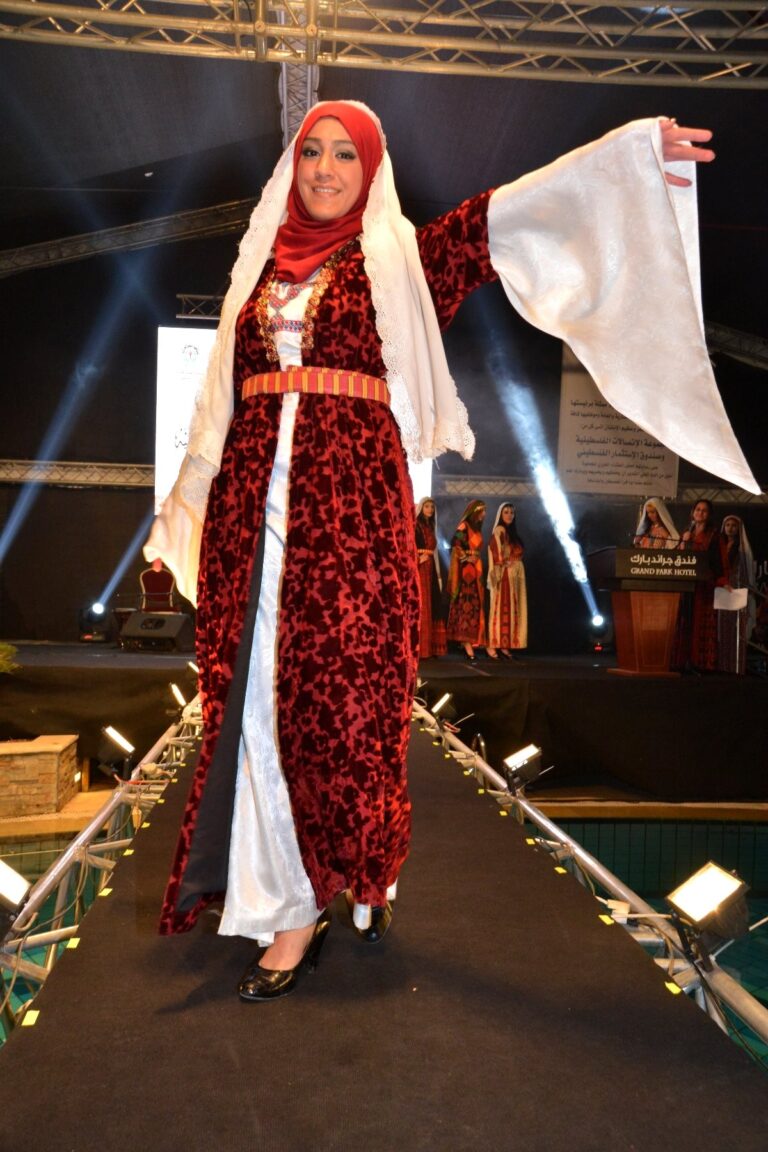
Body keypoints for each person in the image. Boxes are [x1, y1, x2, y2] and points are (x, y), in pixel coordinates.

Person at [144, 99, 728, 1001]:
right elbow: (220, 403)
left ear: (372, 169)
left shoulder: (400, 262)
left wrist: (631, 156)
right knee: (255, 703)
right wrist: (191, 511)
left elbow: (503, 220)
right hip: (249, 519)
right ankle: (283, 901)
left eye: (346, 154)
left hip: (349, 525)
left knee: (344, 709)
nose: (326, 168)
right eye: (312, 152)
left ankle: (353, 874)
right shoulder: (256, 270)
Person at [673, 499, 723, 671]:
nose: (700, 513)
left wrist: (722, 581)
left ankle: (700, 663)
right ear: (693, 512)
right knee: (684, 621)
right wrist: (683, 542)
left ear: (709, 515)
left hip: (704, 585)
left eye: (704, 510)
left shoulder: (714, 535)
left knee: (699, 623)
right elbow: (677, 556)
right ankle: (681, 661)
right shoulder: (687, 532)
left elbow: (718, 560)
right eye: (698, 509)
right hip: (686, 584)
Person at [446, 500, 487, 662]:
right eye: (482, 511)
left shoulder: (477, 529)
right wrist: (465, 558)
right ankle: (466, 643)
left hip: (476, 570)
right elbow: (455, 543)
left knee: (475, 605)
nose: (484, 514)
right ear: (475, 512)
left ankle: (469, 641)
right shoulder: (464, 526)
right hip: (466, 571)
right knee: (466, 603)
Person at [715, 514, 755, 675]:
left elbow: (745, 573)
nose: (730, 528)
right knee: (721, 630)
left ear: (739, 529)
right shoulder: (719, 546)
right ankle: (721, 667)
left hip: (736, 591)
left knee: (736, 630)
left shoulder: (742, 548)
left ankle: (735, 668)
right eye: (727, 525)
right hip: (721, 591)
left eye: (733, 526)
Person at [486, 503, 527, 659]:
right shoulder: (500, 530)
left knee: (512, 608)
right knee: (501, 607)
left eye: (511, 512)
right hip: (506, 574)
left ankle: (504, 644)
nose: (509, 515)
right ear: (500, 514)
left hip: (516, 575)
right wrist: (502, 562)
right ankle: (492, 643)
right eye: (506, 512)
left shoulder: (512, 533)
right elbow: (494, 547)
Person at [415, 497, 447, 658]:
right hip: (420, 567)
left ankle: (427, 648)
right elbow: (408, 545)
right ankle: (419, 648)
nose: (430, 509)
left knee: (431, 604)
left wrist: (437, 571)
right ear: (421, 508)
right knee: (422, 604)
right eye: (427, 506)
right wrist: (417, 559)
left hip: (430, 568)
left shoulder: (430, 526)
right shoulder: (415, 525)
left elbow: (433, 552)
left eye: (432, 507)